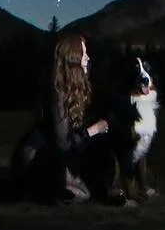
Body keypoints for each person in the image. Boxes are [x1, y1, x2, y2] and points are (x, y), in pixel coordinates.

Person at [8, 33, 112, 204]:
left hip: (57, 154)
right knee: (80, 194)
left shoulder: (73, 87)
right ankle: (38, 189)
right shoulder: (58, 93)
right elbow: (64, 143)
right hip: (37, 158)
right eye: (83, 54)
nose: (88, 58)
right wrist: (94, 130)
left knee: (93, 182)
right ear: (73, 59)